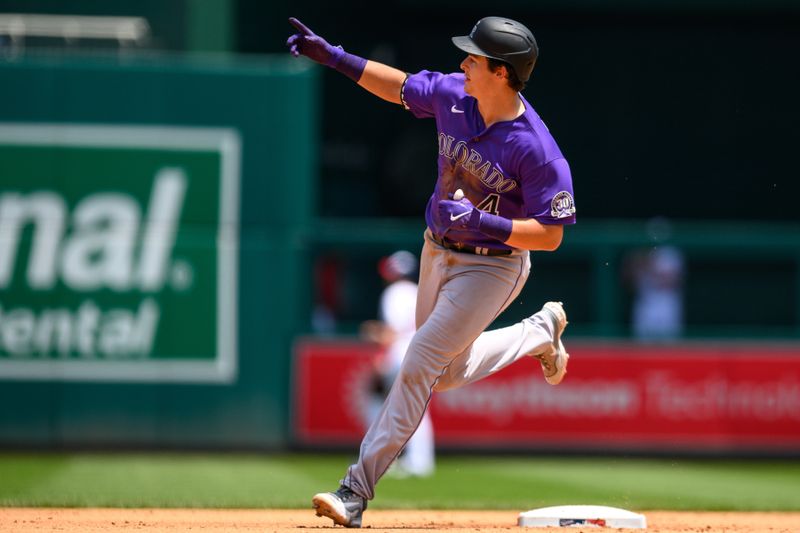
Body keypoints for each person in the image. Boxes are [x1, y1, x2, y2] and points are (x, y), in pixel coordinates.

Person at [287, 15, 576, 528]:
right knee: (442, 375)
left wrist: (485, 220)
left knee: (419, 358)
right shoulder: (454, 95)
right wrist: (335, 57)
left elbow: (551, 233)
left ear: (502, 73)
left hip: (493, 266)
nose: (462, 62)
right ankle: (539, 332)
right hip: (436, 250)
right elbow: (398, 86)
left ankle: (355, 490)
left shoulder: (536, 147)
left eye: (474, 57)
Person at [359, 250, 435, 478]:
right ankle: (417, 461)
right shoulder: (419, 292)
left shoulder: (394, 292)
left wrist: (372, 334)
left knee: (379, 401)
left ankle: (384, 457)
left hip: (400, 354)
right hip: (422, 353)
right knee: (416, 408)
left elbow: (391, 333)